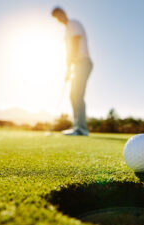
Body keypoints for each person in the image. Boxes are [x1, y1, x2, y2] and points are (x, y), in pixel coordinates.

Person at [52, 7, 93, 136]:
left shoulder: (73, 24)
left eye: (59, 15)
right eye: (56, 18)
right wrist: (68, 69)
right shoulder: (67, 30)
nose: (59, 19)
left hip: (83, 62)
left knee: (77, 94)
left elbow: (75, 43)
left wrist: (69, 67)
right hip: (77, 64)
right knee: (73, 95)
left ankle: (81, 128)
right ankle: (78, 126)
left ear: (64, 13)